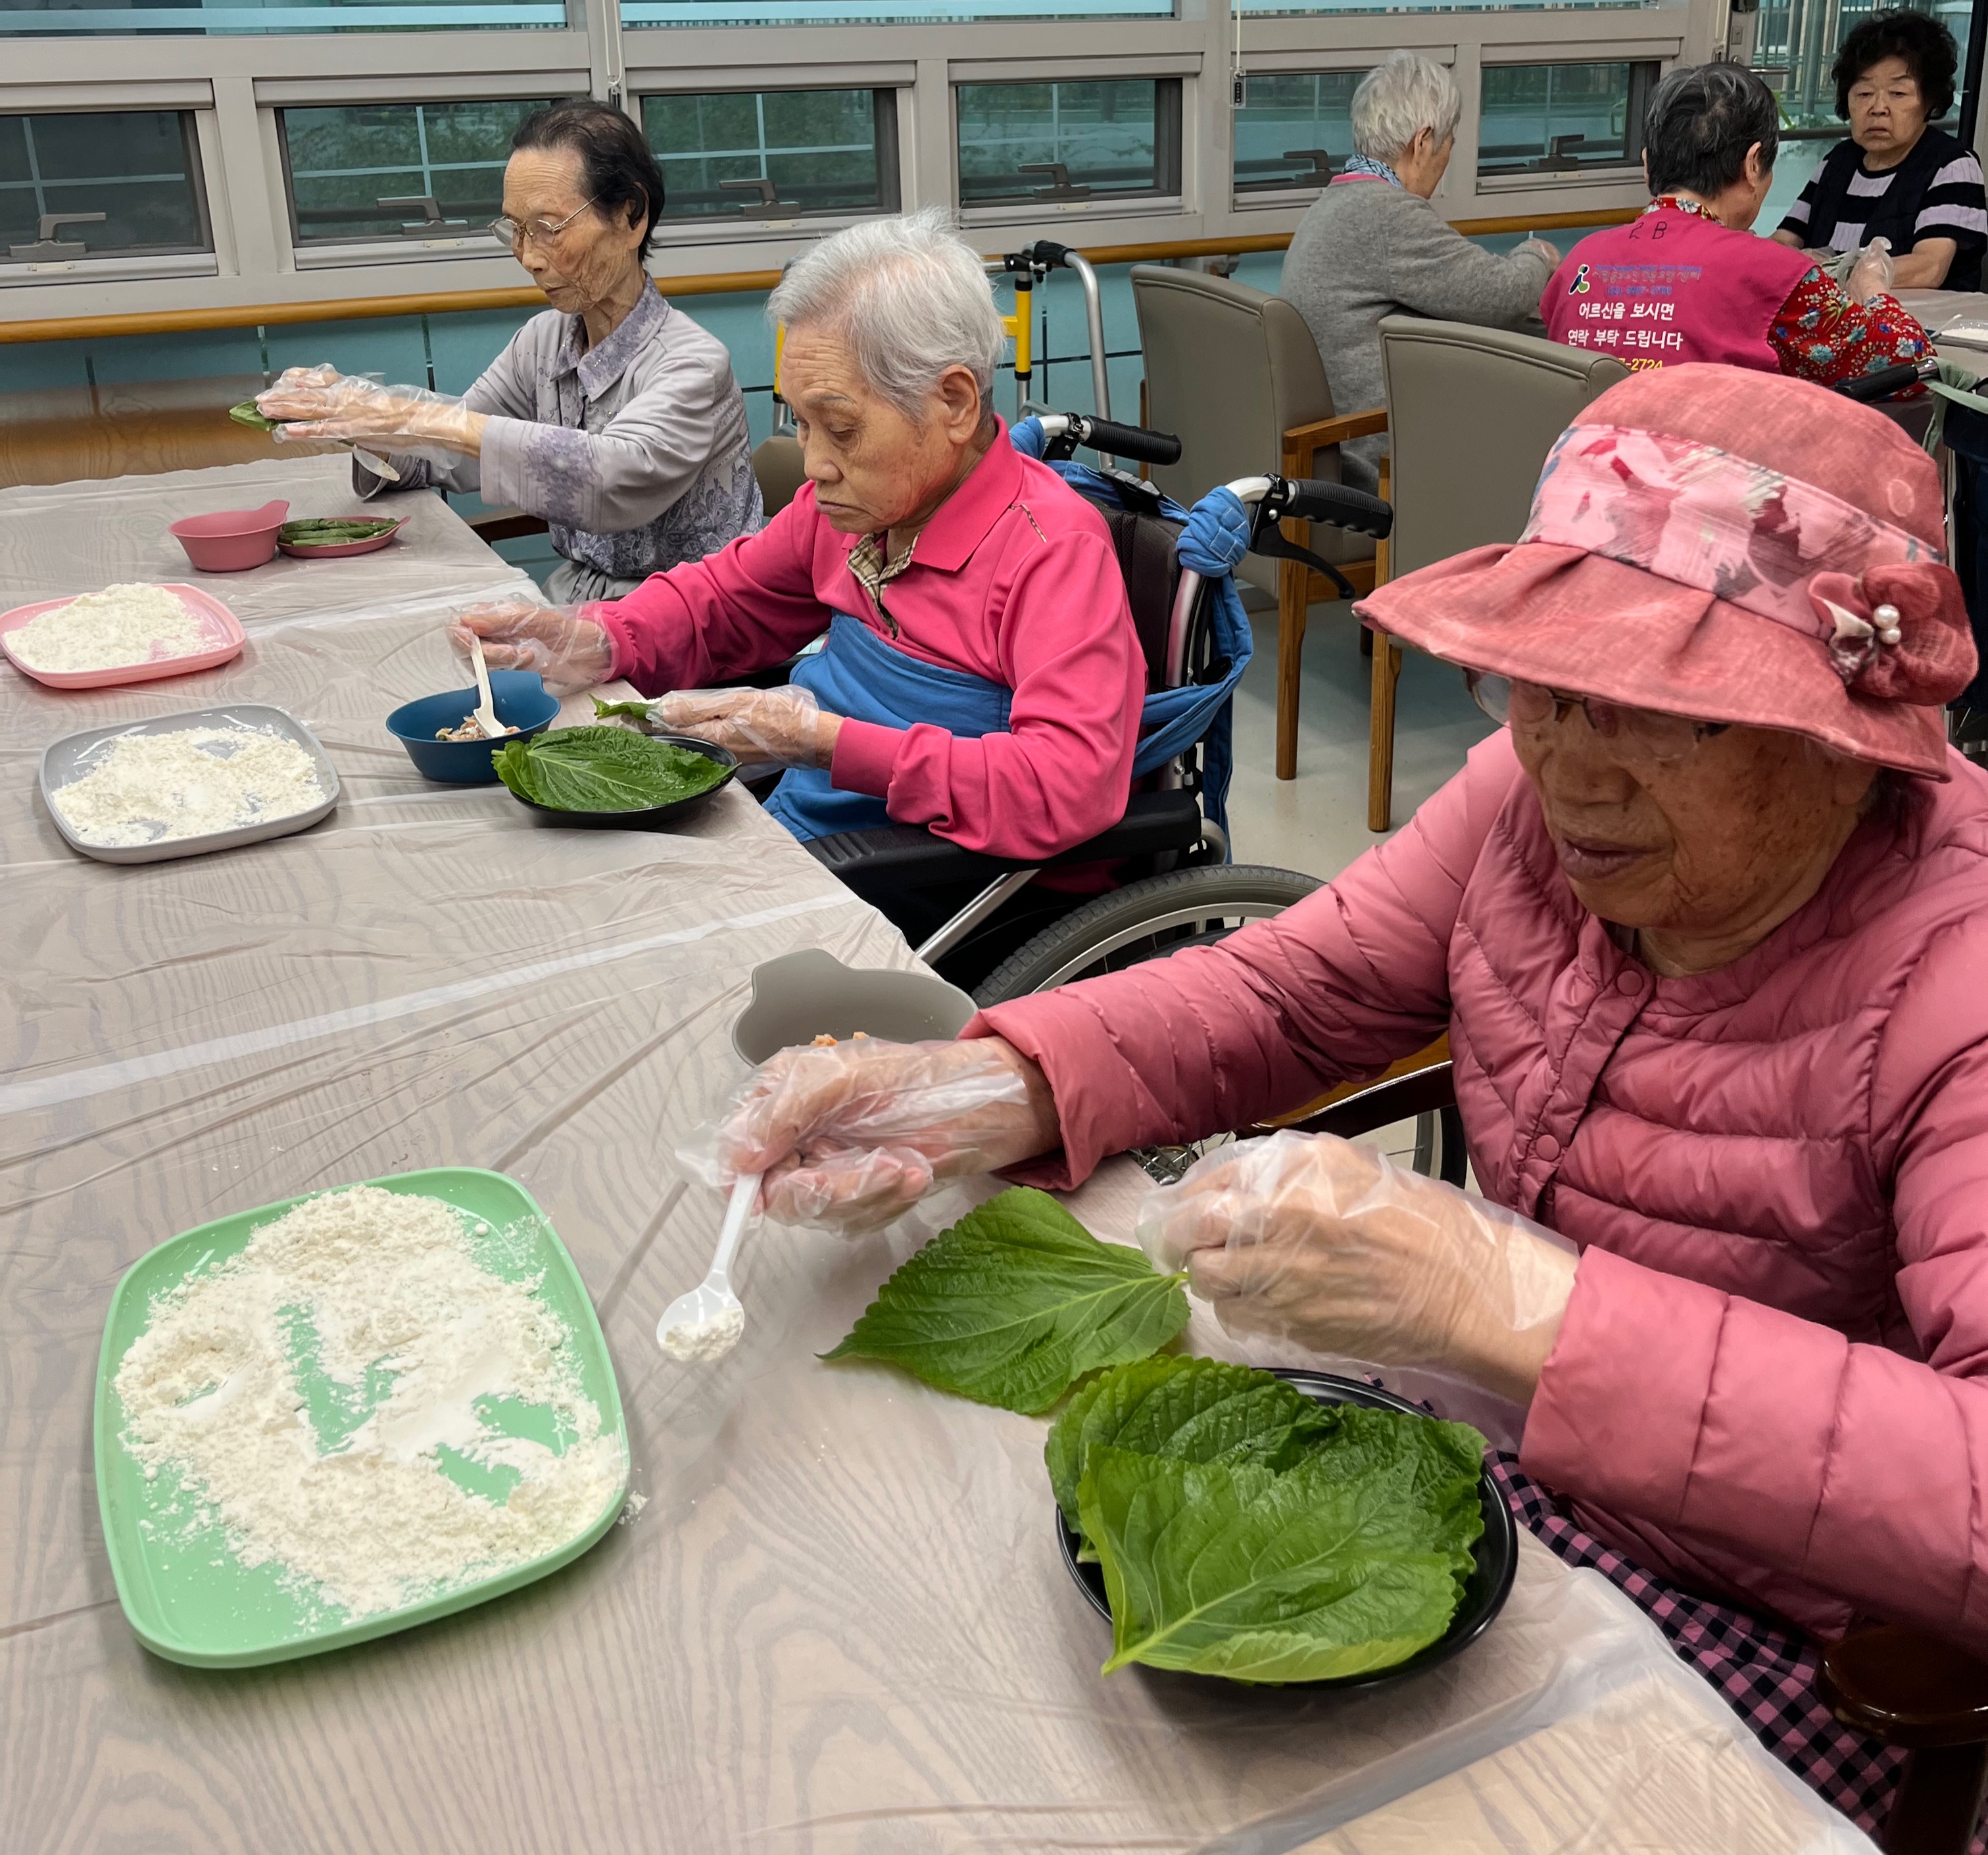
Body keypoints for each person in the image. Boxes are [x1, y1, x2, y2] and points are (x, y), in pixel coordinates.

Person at [707, 364, 1988, 1837]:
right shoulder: (1524, 802)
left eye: (1652, 713)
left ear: (1836, 735)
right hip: (1501, 1464)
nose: (1567, 769)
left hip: (1785, 1623)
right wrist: (998, 1080)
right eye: (1537, 686)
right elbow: (1293, 989)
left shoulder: (1952, 966)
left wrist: (1506, 1298)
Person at [450, 208, 1146, 888]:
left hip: (934, 877)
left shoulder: (1052, 553)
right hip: (813, 827)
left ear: (955, 404)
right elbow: (725, 602)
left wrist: (822, 742)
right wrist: (599, 639)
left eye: (840, 430)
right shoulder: (851, 510)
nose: (813, 465)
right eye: (802, 424)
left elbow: (1065, 787)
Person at [257, 100, 760, 603]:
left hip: (691, 616)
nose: (528, 257)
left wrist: (411, 415)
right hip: (576, 605)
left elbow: (608, 481)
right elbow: (449, 454)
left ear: (631, 215)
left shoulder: (692, 364)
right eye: (515, 229)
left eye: (548, 228)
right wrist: (354, 415)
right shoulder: (542, 343)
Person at [1541, 61, 1931, 389]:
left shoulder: (1580, 260)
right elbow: (1911, 366)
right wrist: (1871, 286)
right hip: (1708, 459)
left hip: (1580, 456)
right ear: (1753, 164)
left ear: (1647, 165)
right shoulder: (1774, 273)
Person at [1280, 51, 1561, 491]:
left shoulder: (1334, 202)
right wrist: (1538, 254)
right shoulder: (1386, 214)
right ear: (1423, 141)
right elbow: (1502, 295)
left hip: (1334, 453)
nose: (1447, 158)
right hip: (1377, 467)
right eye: (1449, 144)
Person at [1773, 8, 1987, 293]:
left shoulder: (1953, 166)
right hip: (1832, 315)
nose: (1878, 108)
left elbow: (1929, 268)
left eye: (1898, 94)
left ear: (1929, 101)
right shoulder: (1837, 162)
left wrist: (1832, 271)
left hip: (1917, 319)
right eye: (1864, 94)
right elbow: (1783, 240)